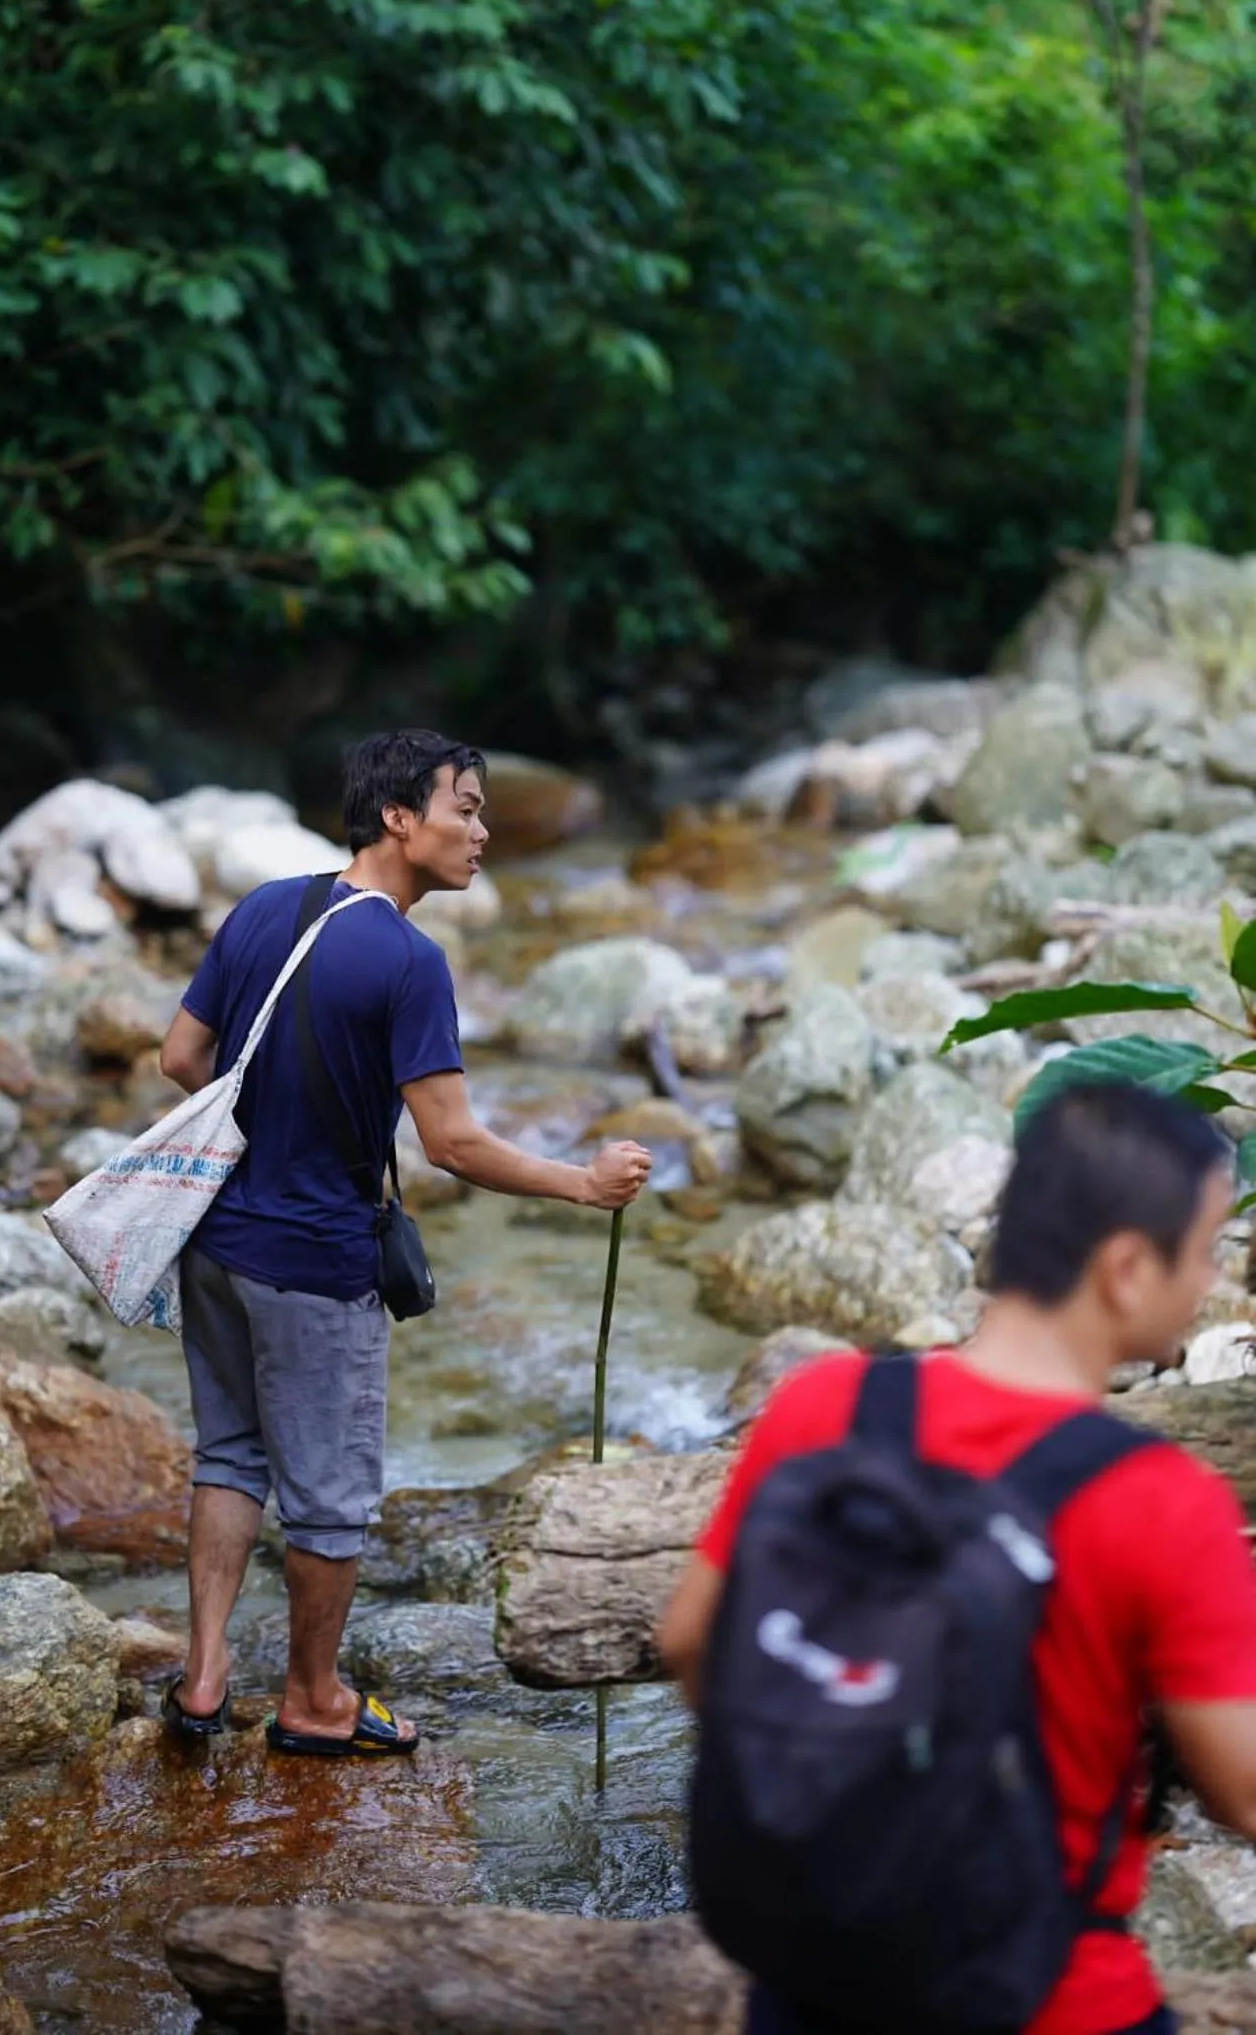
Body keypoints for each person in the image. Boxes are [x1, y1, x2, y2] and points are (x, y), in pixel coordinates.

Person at [660, 1081, 1256, 2035]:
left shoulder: (827, 1406)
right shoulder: (1161, 1500)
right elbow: (1240, 1789)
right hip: (1043, 1994)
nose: (1209, 1277)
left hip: (814, 1980)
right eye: (1203, 1250)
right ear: (1126, 1268)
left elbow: (691, 1639)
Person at [158, 729, 652, 1756]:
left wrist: (272, 1120)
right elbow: (454, 1144)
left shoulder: (264, 908)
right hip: (313, 1260)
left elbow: (180, 1055)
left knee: (232, 1453)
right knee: (330, 1500)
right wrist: (584, 1182)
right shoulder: (409, 960)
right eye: (465, 807)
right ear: (398, 816)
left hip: (212, 1240)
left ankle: (203, 1678)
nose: (481, 831)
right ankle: (313, 1699)